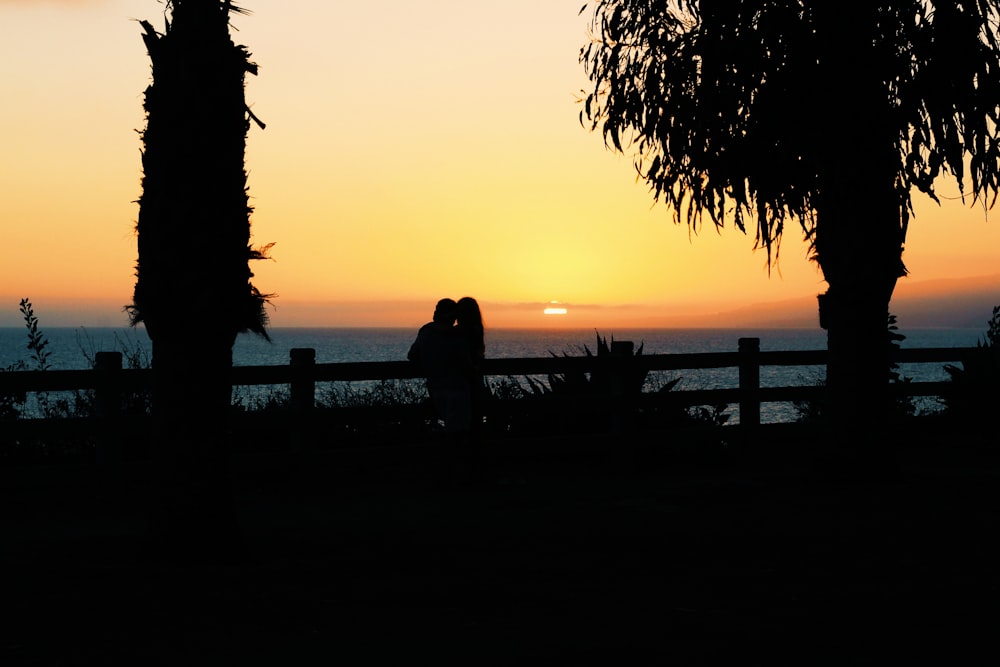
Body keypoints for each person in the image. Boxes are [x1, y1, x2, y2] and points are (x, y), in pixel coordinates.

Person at [407, 298, 473, 436]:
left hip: (436, 389)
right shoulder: (459, 334)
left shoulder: (426, 332)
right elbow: (468, 361)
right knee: (459, 434)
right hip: (459, 390)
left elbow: (412, 355)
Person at [455, 296, 486, 434]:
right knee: (474, 418)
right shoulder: (477, 330)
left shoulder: (459, 332)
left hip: (462, 382)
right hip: (475, 380)